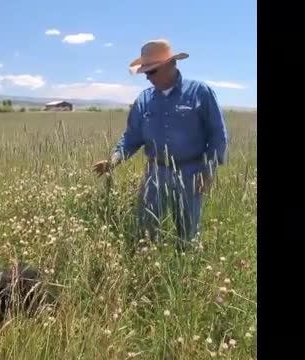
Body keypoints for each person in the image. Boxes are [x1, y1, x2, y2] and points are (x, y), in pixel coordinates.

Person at [92, 39, 228, 247]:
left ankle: (186, 273)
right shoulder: (144, 100)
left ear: (169, 65)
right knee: (145, 230)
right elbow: (131, 136)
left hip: (191, 172)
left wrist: (208, 171)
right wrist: (114, 159)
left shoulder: (200, 92)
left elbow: (218, 134)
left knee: (188, 233)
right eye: (145, 72)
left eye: (151, 71)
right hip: (155, 173)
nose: (147, 77)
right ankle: (147, 271)